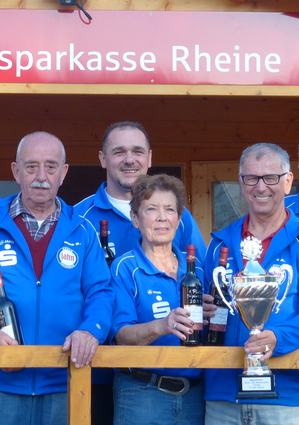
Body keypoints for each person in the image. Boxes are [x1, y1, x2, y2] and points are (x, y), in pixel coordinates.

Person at [0, 131, 114, 425]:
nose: (41, 177)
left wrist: (91, 331)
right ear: (16, 171)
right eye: (31, 166)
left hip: (64, 381)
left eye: (51, 166)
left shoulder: (82, 230)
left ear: (63, 173)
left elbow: (102, 291)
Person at [203, 143, 299, 425]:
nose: (261, 187)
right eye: (251, 178)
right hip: (222, 397)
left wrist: (278, 337)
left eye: (270, 178)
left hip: (287, 398)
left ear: (288, 182)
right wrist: (201, 311)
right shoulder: (219, 244)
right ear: (241, 183)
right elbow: (208, 310)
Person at [110, 174, 205, 425]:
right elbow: (121, 337)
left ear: (179, 219)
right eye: (151, 209)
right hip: (143, 394)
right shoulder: (124, 268)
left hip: (196, 396)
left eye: (170, 209)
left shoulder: (198, 269)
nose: (162, 217)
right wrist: (163, 325)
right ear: (135, 218)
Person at [75, 121, 207, 261]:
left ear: (149, 158)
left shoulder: (175, 215)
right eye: (119, 152)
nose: (129, 160)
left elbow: (199, 268)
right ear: (103, 159)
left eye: (138, 152)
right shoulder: (79, 217)